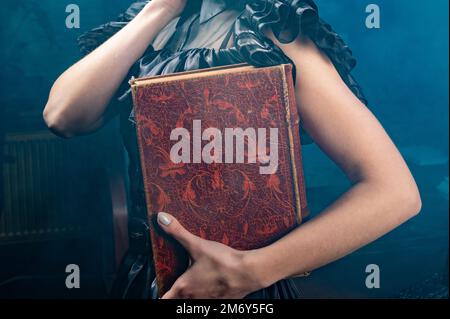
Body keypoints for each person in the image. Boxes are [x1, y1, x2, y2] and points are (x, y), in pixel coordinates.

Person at [43, 0, 422, 299]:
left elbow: (394, 193)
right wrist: (161, 8)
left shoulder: (272, 34)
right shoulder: (155, 24)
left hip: (239, 284)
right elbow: (63, 115)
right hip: (145, 275)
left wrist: (251, 271)